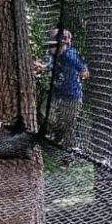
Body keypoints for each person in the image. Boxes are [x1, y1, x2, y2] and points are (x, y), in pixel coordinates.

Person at [33, 27, 90, 158]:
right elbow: (45, 63)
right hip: (56, 94)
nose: (51, 49)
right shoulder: (52, 54)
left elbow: (83, 68)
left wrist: (84, 72)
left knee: (68, 124)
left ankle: (68, 154)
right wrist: (39, 66)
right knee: (44, 113)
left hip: (72, 97)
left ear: (64, 45)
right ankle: (52, 136)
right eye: (50, 46)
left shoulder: (70, 55)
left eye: (54, 46)